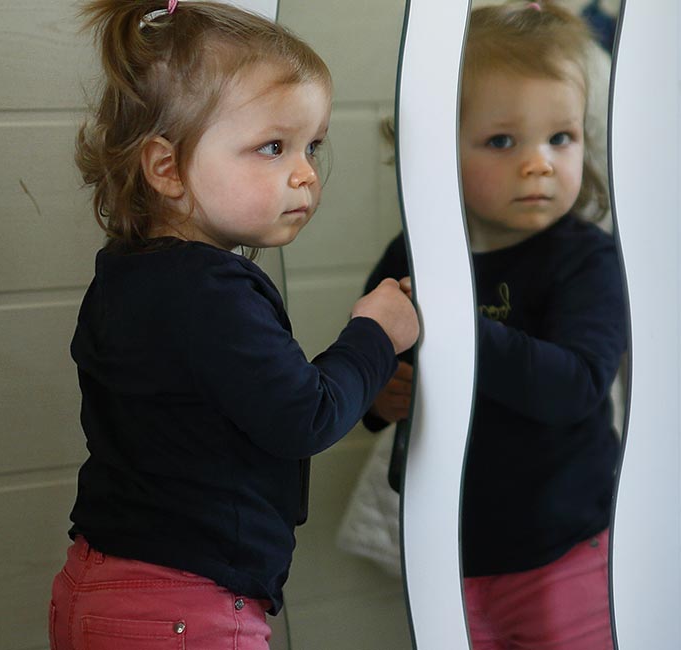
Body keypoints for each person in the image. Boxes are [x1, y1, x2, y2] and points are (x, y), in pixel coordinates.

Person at [50, 2, 418, 648]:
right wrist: (375, 334)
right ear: (166, 168)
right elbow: (304, 416)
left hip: (94, 585)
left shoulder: (125, 273)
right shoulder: (212, 289)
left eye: (312, 146)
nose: (304, 172)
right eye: (273, 148)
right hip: (183, 607)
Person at [363, 3, 627, 648]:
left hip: (564, 551)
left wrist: (453, 325)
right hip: (446, 547)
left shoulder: (587, 258)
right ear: (436, 151)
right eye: (503, 141)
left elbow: (573, 388)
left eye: (560, 138)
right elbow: (366, 364)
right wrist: (381, 395)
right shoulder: (415, 255)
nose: (539, 163)